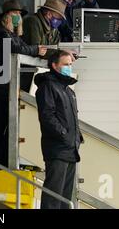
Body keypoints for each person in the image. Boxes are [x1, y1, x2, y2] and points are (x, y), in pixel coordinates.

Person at [0, 0, 47, 169]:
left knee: (6, 131)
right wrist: (36, 50)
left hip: (6, 90)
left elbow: (20, 45)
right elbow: (16, 48)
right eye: (15, 14)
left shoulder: (12, 35)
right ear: (6, 16)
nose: (18, 17)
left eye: (20, 15)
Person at [35, 50, 84, 209]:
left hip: (70, 149)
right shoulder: (48, 87)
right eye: (65, 64)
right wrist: (64, 134)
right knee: (53, 196)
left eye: (70, 64)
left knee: (65, 198)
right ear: (54, 66)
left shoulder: (67, 90)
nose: (69, 67)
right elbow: (47, 116)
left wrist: (76, 138)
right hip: (57, 148)